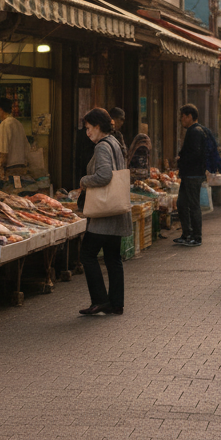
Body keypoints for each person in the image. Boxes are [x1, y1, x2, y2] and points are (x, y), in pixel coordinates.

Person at [77, 108, 131, 316]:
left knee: (87, 254)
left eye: (89, 128)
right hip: (116, 210)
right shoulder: (115, 142)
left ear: (98, 126)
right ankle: (116, 303)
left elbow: (104, 175)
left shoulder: (101, 147)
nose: (87, 132)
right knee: (113, 258)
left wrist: (84, 181)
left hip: (104, 213)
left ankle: (100, 300)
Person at [174, 104, 209, 246]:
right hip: (189, 174)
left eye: (183, 117)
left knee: (193, 205)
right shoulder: (194, 131)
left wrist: (181, 159)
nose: (181, 119)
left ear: (189, 117)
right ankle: (187, 233)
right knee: (182, 203)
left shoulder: (195, 131)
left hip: (193, 174)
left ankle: (196, 236)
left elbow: (195, 154)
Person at [0, 98, 28, 179]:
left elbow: (3, 155)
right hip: (22, 168)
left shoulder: (4, 125)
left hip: (11, 170)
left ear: (0, 110)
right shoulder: (18, 124)